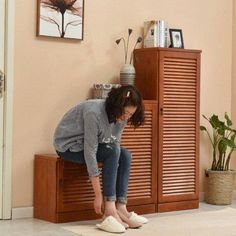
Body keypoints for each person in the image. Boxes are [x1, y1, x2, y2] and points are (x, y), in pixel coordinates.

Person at [53, 85, 148, 233]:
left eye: (130, 115)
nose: (126, 118)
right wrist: (98, 195)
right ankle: (109, 211)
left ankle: (121, 207)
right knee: (111, 152)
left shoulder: (122, 117)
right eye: (126, 113)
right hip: (69, 146)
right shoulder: (94, 112)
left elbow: (115, 142)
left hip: (92, 144)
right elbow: (90, 152)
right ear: (117, 105)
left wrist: (117, 151)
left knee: (125, 155)